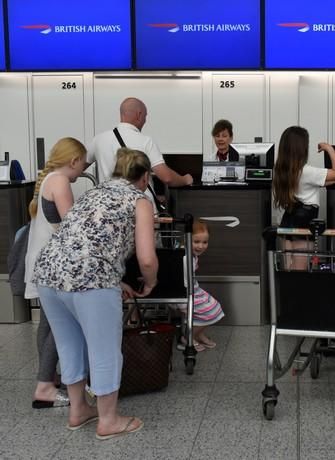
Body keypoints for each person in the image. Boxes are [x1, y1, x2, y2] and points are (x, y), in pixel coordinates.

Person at [33, 148, 158, 439]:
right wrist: (149, 283)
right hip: (91, 279)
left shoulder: (93, 192)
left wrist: (114, 280)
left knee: (70, 344)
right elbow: (147, 259)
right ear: (145, 177)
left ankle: (78, 410)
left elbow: (83, 240)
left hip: (49, 273)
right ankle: (109, 420)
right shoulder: (140, 200)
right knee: (104, 349)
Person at [24, 138, 87, 409]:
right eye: (82, 164)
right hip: (53, 266)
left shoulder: (49, 178)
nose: (83, 170)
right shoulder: (60, 182)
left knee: (48, 324)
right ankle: (45, 388)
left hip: (41, 262)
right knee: (57, 327)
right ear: (73, 161)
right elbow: (71, 228)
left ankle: (47, 378)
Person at [272, 126, 335, 269]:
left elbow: (302, 186)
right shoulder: (307, 171)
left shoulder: (282, 170)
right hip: (304, 218)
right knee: (300, 269)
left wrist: (321, 183)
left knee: (287, 267)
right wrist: (329, 149)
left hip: (289, 218)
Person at [86, 97, 193, 187]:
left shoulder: (98, 140)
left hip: (110, 206)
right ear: (139, 115)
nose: (145, 120)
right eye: (145, 116)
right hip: (140, 205)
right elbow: (167, 178)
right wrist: (185, 180)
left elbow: (77, 166)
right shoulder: (145, 141)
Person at [177, 220, 225, 352]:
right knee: (210, 311)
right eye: (196, 242)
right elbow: (183, 283)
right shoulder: (185, 258)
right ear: (186, 239)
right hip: (184, 292)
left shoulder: (191, 255)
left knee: (214, 307)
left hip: (192, 288)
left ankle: (197, 334)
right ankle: (188, 337)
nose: (201, 246)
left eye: (205, 242)